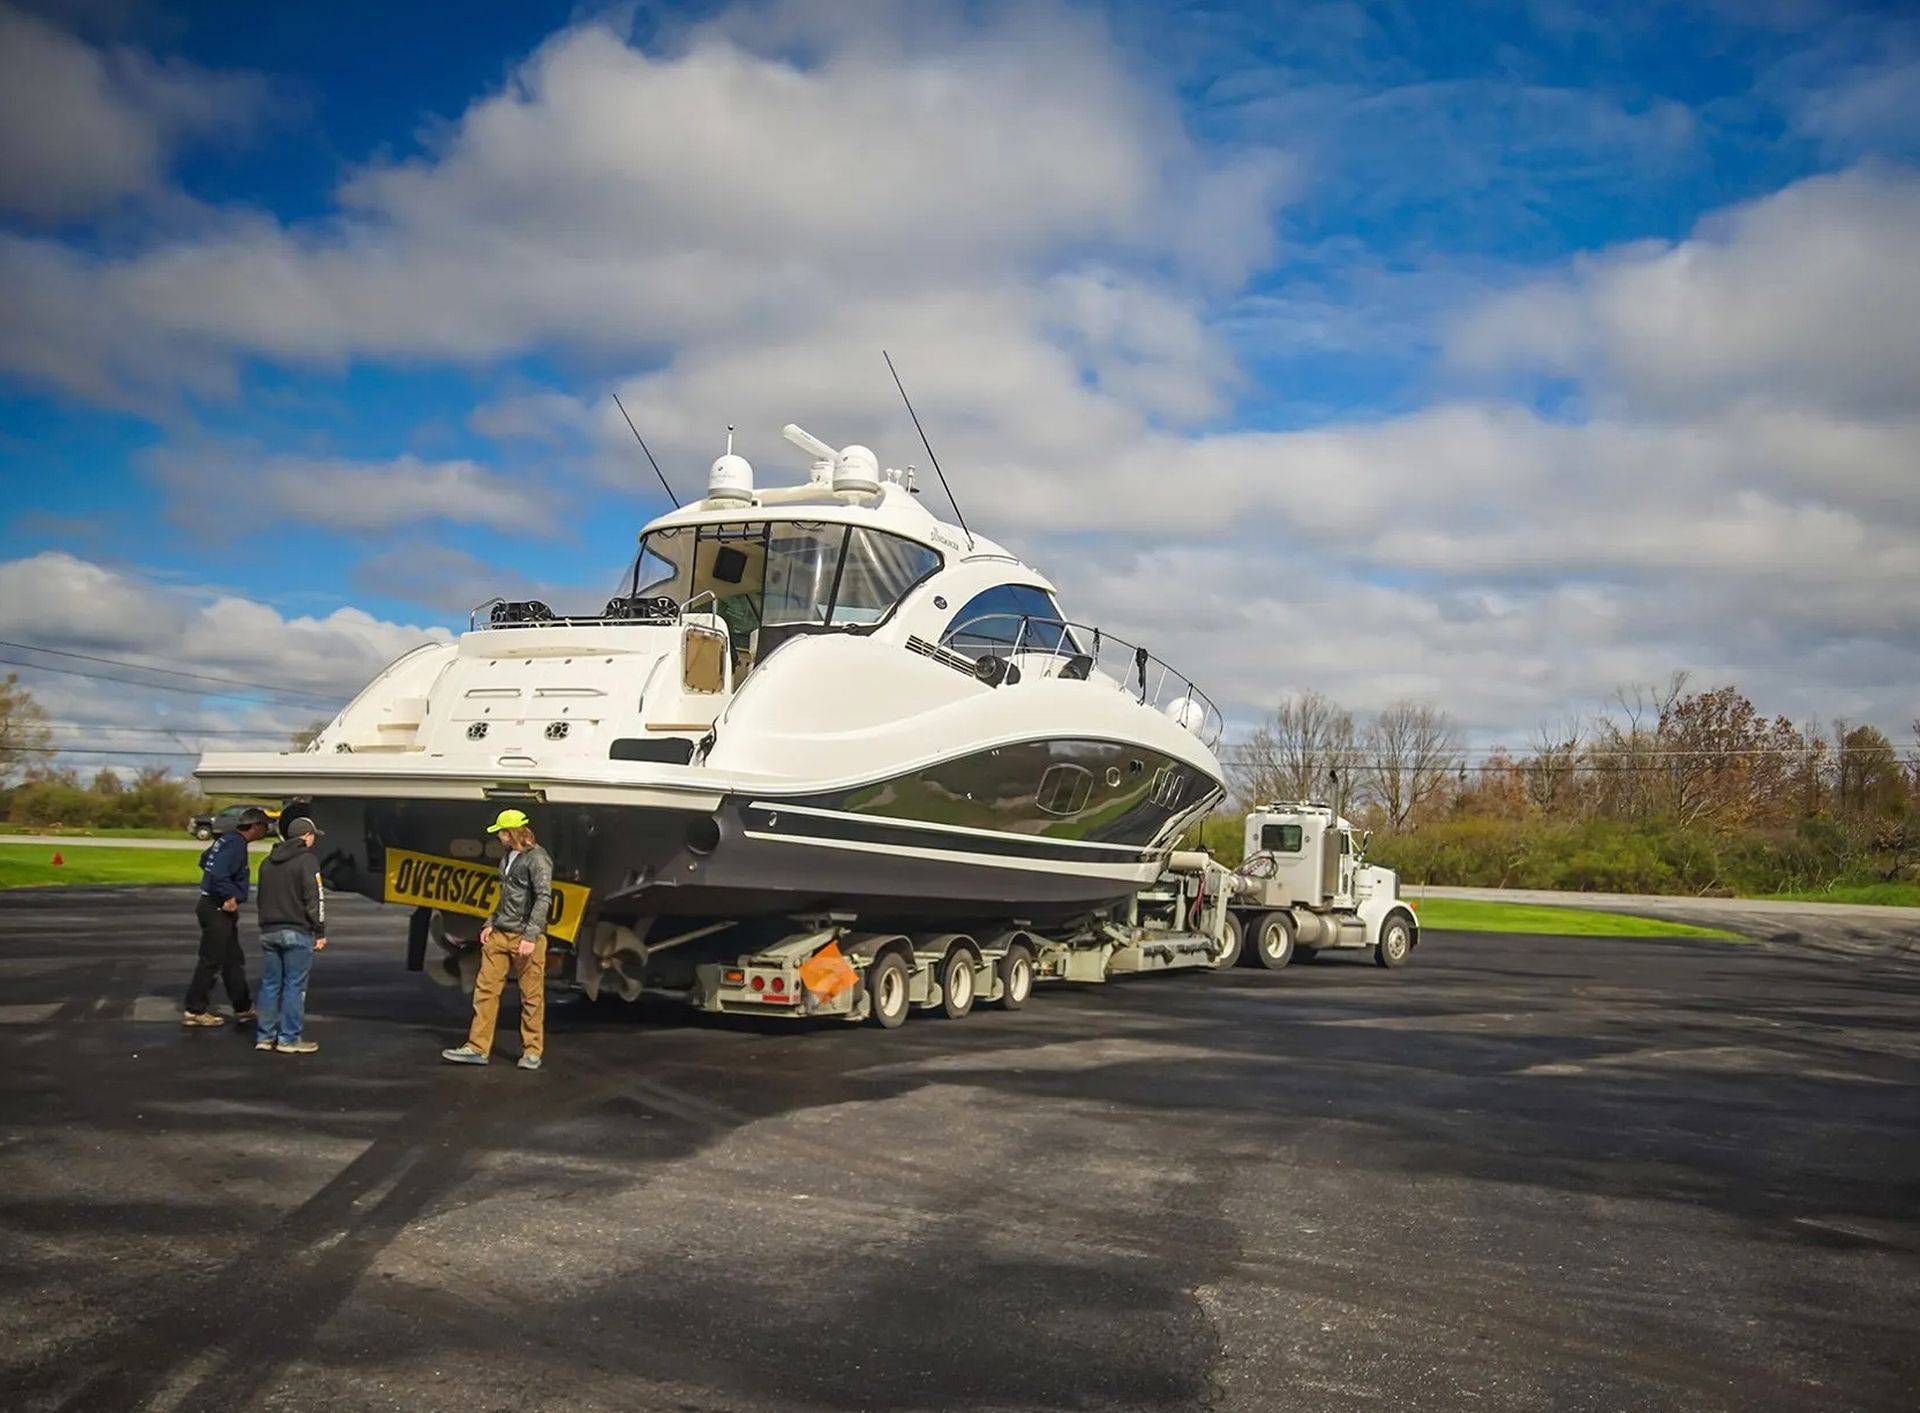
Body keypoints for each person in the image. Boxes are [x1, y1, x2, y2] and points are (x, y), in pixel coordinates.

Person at [441, 808, 552, 1070]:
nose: (498, 837)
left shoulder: (538, 859)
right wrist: (491, 922)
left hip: (526, 937)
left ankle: (532, 1051)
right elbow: (506, 896)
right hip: (500, 934)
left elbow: (543, 897)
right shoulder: (508, 857)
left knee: (531, 997)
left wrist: (531, 936)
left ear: (511, 832)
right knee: (485, 991)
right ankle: (477, 1047)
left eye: (501, 832)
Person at [183, 806, 270, 1026]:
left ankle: (242, 1006)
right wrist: (228, 895)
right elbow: (219, 871)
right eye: (264, 826)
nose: (266, 830)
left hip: (212, 905)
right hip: (217, 908)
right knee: (211, 960)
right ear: (254, 826)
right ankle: (194, 1009)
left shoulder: (227, 840)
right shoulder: (236, 844)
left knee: (232, 959)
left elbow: (206, 860)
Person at [254, 816, 328, 1055]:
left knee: (270, 985)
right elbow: (314, 899)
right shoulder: (307, 861)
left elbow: (260, 898)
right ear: (306, 836)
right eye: (313, 835)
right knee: (294, 987)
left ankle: (264, 1036)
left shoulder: (266, 863)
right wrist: (320, 931)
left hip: (269, 930)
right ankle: (289, 1038)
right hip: (297, 931)